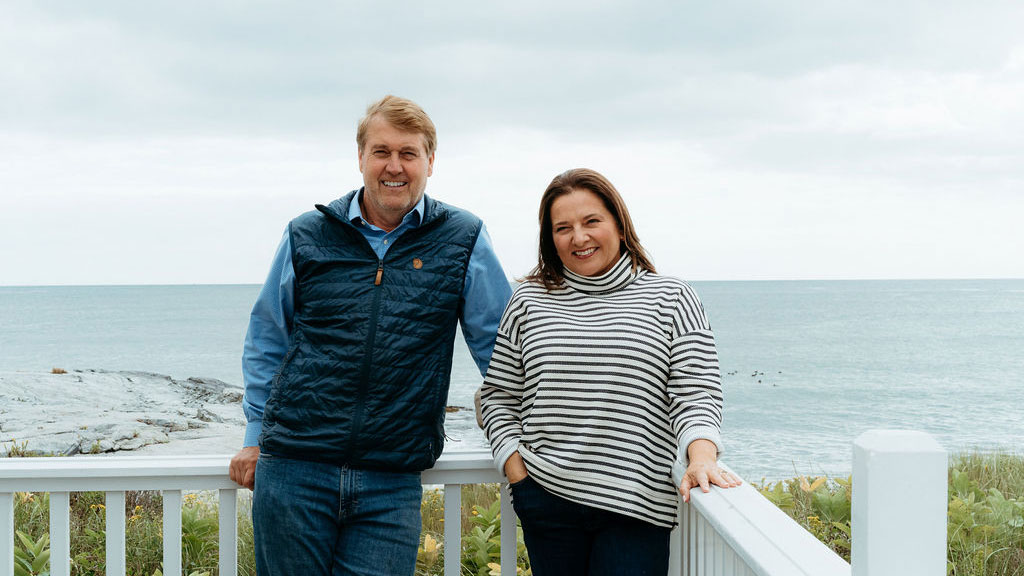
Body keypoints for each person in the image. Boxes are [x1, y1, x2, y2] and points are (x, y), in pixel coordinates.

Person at [229, 95, 512, 576]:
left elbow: (501, 349)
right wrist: (255, 435)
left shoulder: (463, 237)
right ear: (361, 157)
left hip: (391, 479)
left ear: (430, 161)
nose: (394, 166)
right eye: (381, 151)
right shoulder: (307, 233)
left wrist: (525, 436)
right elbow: (267, 338)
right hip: (293, 469)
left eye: (409, 153)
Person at [479, 168, 740, 576]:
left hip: (636, 505)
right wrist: (517, 472)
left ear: (619, 224)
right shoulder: (529, 299)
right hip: (546, 498)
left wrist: (701, 456)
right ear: (550, 238)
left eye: (591, 222)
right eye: (562, 227)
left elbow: (696, 392)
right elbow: (499, 396)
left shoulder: (672, 297)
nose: (578, 237)